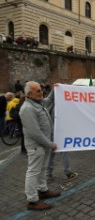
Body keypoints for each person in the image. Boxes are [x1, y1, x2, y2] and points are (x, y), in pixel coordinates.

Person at [20, 81, 61, 210]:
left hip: (44, 145)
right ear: (29, 94)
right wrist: (50, 143)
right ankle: (32, 201)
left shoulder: (38, 103)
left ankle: (43, 190)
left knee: (42, 168)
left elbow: (48, 100)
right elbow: (34, 132)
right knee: (33, 172)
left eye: (41, 89)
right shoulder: (27, 109)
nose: (41, 92)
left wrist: (54, 90)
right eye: (38, 90)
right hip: (37, 146)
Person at [45, 86, 78, 182]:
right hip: (57, 132)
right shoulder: (56, 105)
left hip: (53, 133)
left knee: (52, 153)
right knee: (63, 152)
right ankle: (66, 172)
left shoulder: (51, 104)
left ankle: (48, 174)